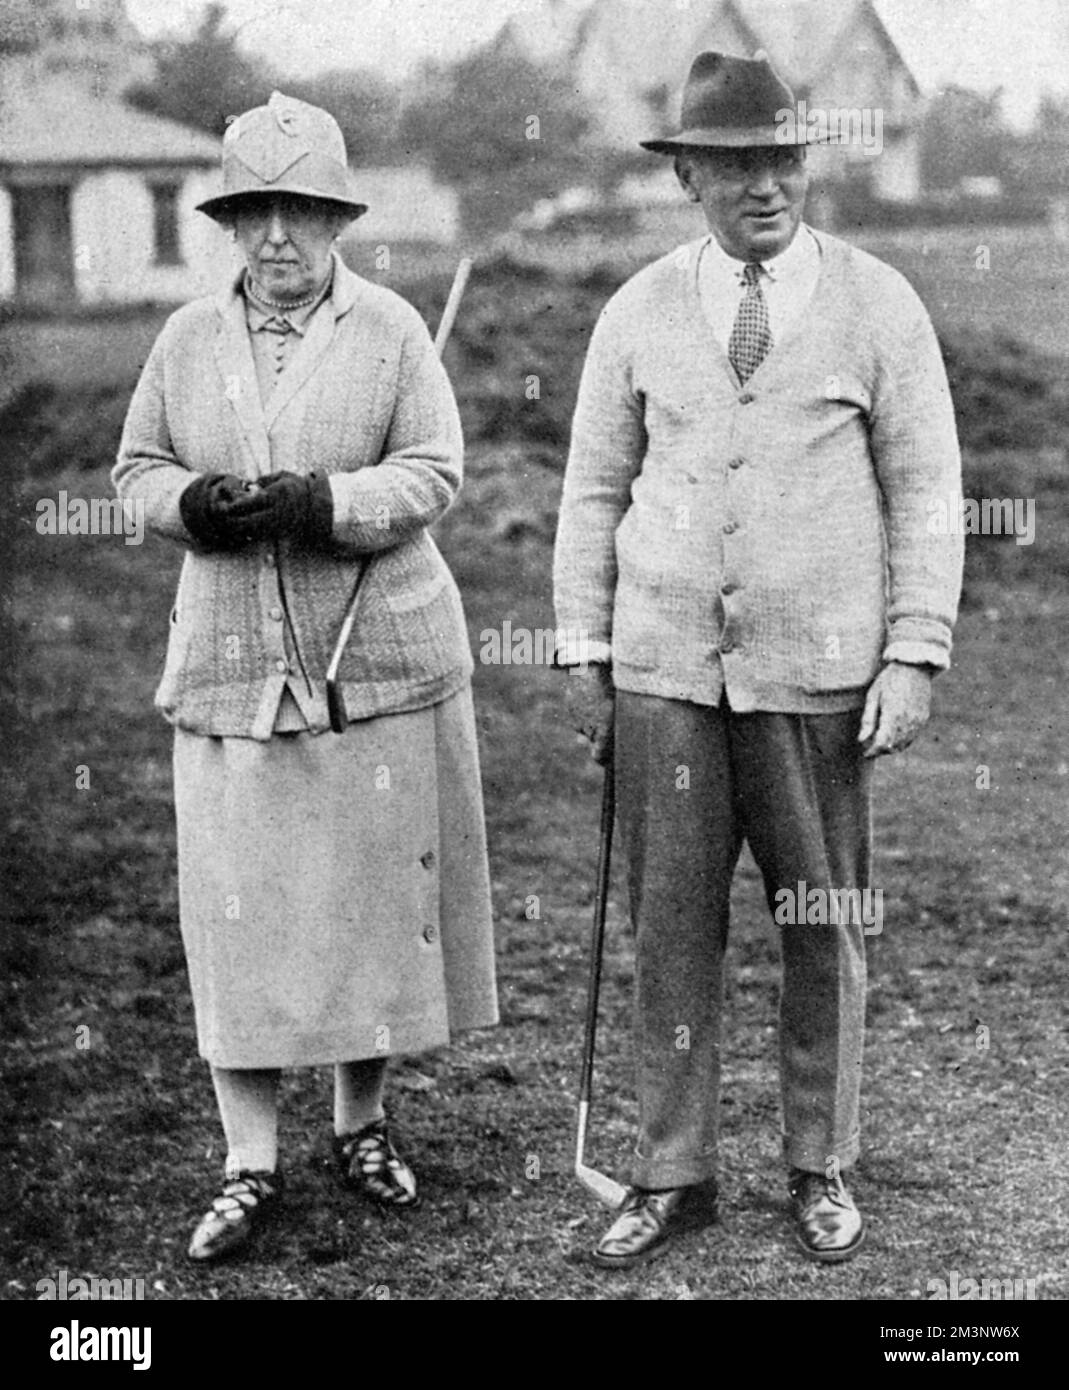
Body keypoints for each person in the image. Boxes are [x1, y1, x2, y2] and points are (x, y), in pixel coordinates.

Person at [554, 52, 963, 1268]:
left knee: (822, 920)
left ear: (808, 164)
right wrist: (583, 647)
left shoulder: (880, 303)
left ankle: (818, 1163)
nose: (763, 186)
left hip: (820, 676)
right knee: (670, 927)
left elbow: (927, 492)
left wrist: (916, 651)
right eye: (733, 166)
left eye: (781, 160)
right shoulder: (634, 310)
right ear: (686, 174)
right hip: (666, 675)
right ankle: (670, 1173)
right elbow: (589, 493)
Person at [113, 92, 497, 1262]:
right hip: (234, 667)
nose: (278, 235)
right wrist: (193, 505)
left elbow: (435, 472)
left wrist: (330, 502)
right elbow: (135, 469)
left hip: (371, 658)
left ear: (336, 219)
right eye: (254, 211)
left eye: (302, 211)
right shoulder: (184, 341)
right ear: (229, 223)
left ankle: (363, 1122)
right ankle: (248, 1158)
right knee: (241, 907)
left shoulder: (387, 333)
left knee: (367, 900)